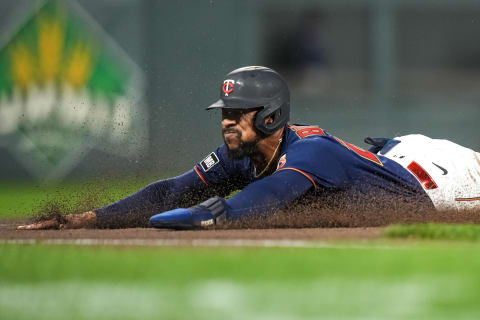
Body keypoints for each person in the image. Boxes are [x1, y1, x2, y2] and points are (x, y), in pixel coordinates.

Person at [17, 66, 480, 230]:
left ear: (270, 116)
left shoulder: (308, 153)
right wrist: (88, 218)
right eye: (224, 112)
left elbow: (268, 197)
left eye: (237, 112)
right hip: (398, 156)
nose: (226, 120)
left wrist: (218, 213)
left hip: (439, 180)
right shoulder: (241, 155)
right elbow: (173, 190)